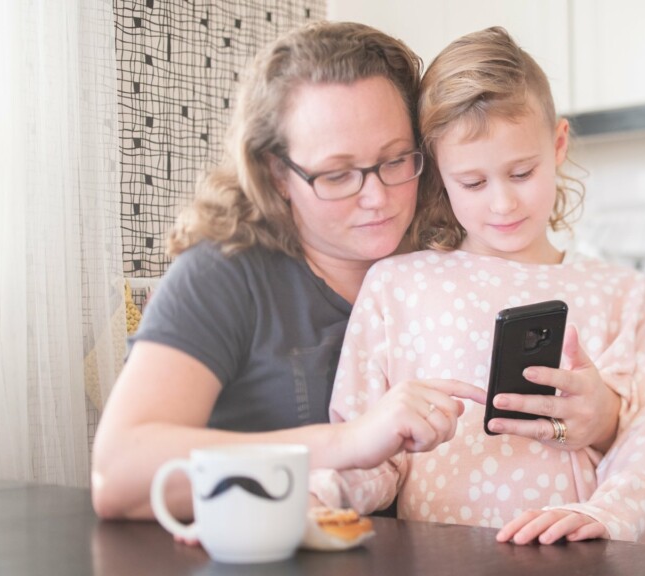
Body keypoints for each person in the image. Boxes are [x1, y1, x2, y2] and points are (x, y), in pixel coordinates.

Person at [91, 21, 487, 521]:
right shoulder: (224, 276)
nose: (377, 197)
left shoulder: (455, 260)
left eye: (395, 160)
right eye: (338, 174)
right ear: (277, 173)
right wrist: (348, 440)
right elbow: (118, 476)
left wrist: (602, 423)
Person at [309, 27, 645, 545]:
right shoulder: (399, 285)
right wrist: (316, 494)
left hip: (587, 557)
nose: (503, 203)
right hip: (443, 561)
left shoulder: (623, 294)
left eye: (522, 172)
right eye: (474, 183)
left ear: (557, 145)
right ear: (439, 174)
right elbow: (369, 453)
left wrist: (608, 515)